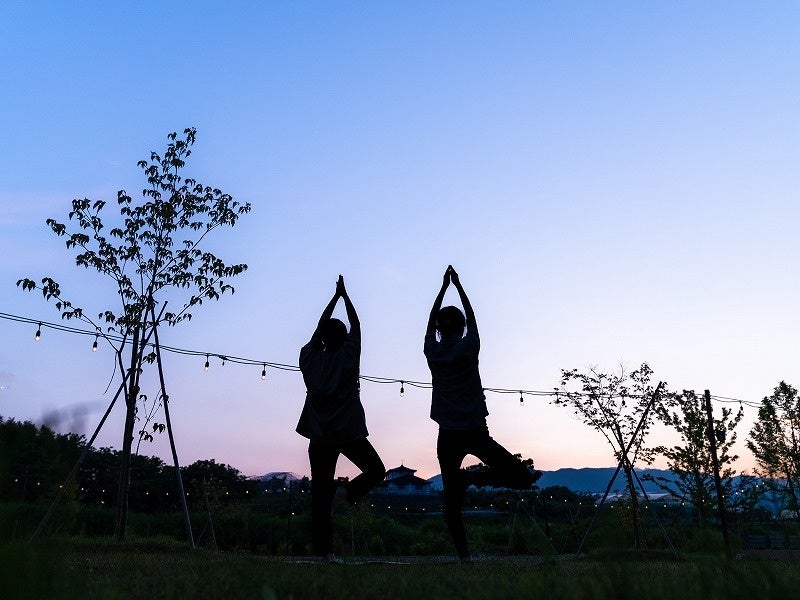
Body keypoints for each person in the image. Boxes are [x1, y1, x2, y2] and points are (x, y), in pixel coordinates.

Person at [425, 265, 538, 560]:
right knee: (523, 477)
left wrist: (443, 288)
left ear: (438, 329)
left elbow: (431, 323)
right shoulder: (469, 346)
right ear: (462, 328)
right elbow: (472, 318)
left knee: (451, 500)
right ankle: (473, 480)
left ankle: (464, 554)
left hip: (448, 434)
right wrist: (458, 286)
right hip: (475, 430)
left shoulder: (433, 352)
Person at [297, 275, 386, 561]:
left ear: (322, 338)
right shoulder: (349, 356)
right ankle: (347, 492)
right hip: (347, 431)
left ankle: (324, 552)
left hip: (319, 434)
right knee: (376, 470)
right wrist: (344, 297)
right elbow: (356, 325)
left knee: (319, 493)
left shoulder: (309, 358)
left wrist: (333, 299)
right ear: (343, 338)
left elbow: (318, 329)